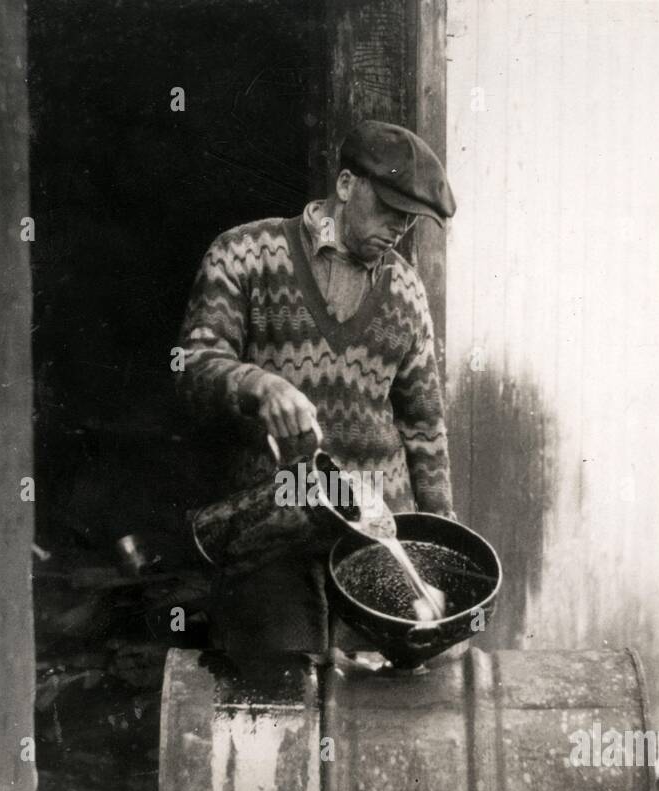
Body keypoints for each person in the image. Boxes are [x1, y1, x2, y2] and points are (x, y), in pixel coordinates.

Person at [175, 119, 458, 654]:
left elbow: (424, 427)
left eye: (409, 217)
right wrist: (256, 385)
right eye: (390, 208)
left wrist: (437, 550)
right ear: (347, 186)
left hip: (375, 549)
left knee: (376, 718)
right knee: (273, 709)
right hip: (269, 536)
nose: (399, 226)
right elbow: (190, 365)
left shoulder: (406, 291)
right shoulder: (243, 254)